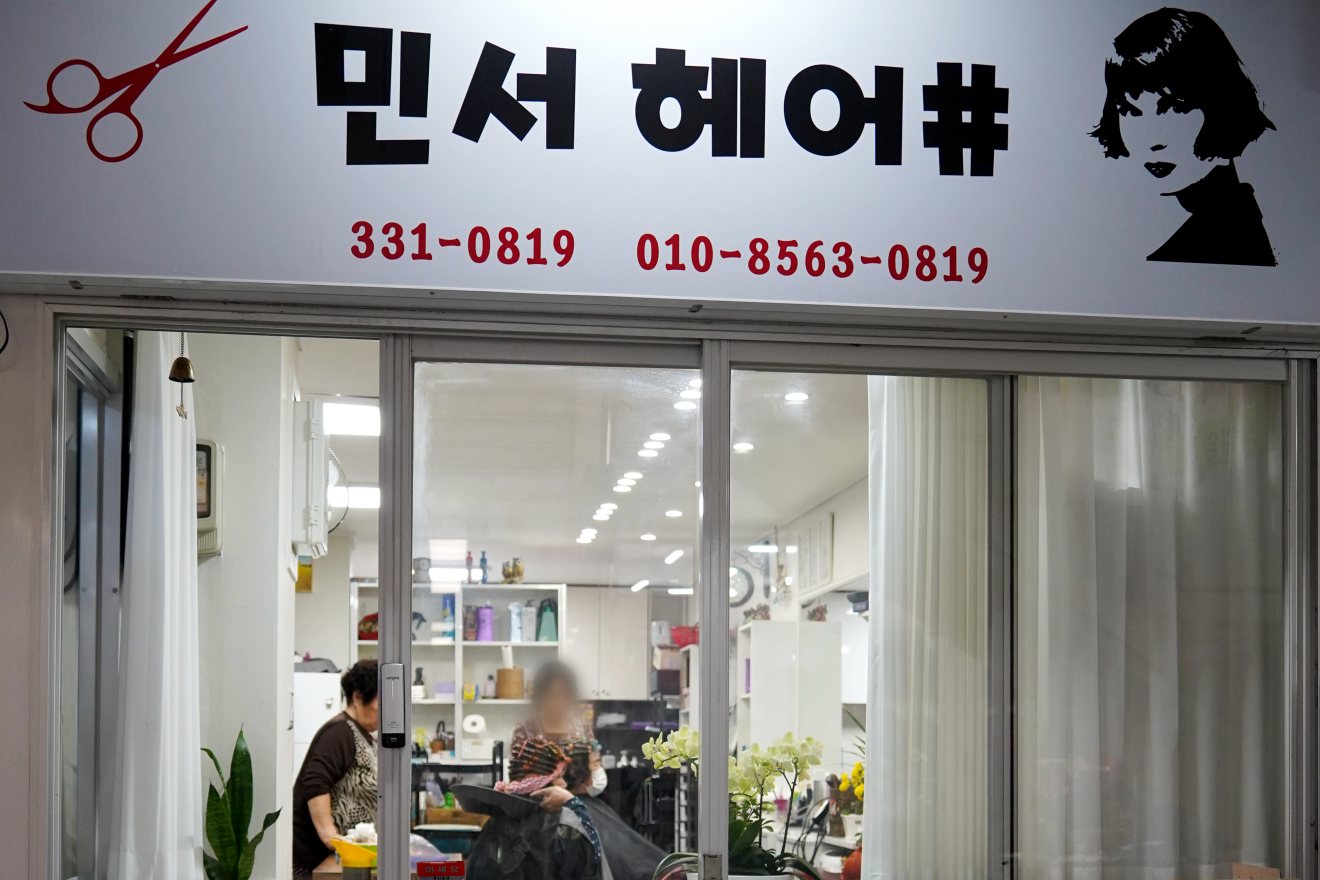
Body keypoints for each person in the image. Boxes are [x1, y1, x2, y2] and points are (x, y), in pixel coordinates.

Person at [1092, 8, 1276, 266]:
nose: (1154, 142)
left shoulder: (1234, 239)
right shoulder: (1138, 223)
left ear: (1221, 104)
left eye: (1174, 109)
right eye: (1130, 112)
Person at [483, 661, 666, 880]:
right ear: (540, 695)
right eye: (552, 695)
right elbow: (519, 781)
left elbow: (595, 773)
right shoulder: (525, 730)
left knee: (624, 857)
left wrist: (582, 785)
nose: (558, 702)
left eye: (564, 695)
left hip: (580, 806)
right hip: (538, 812)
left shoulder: (581, 728)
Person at [291, 659, 379, 876]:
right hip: (316, 863)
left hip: (342, 859)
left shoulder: (360, 733)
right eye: (382, 704)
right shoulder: (341, 733)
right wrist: (330, 836)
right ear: (357, 698)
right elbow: (315, 781)